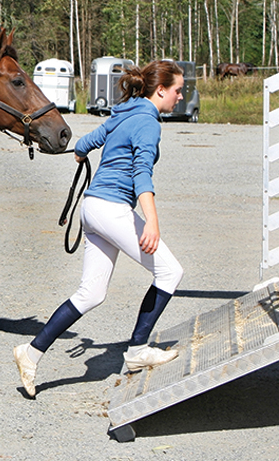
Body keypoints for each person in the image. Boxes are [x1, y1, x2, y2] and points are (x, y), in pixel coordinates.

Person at [13, 60, 185, 398]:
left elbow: (87, 141)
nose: (181, 97)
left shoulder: (123, 112)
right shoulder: (148, 122)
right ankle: (138, 350)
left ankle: (30, 353)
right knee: (170, 272)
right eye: (178, 90)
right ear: (161, 89)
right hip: (111, 209)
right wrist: (151, 221)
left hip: (91, 209)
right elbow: (141, 176)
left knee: (91, 294)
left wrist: (79, 153)